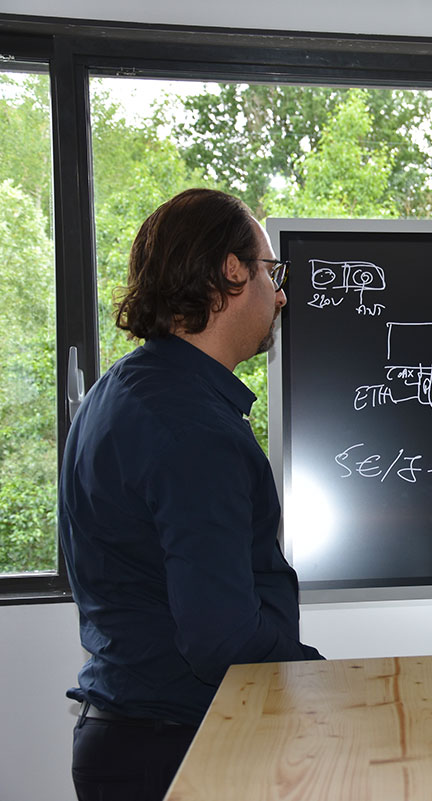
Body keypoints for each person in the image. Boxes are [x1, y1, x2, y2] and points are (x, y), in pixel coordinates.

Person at [59, 188, 323, 800]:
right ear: (232, 272)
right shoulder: (193, 428)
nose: (281, 294)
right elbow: (222, 638)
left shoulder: (121, 391)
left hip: (133, 739)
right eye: (271, 271)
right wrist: (327, 682)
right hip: (180, 750)